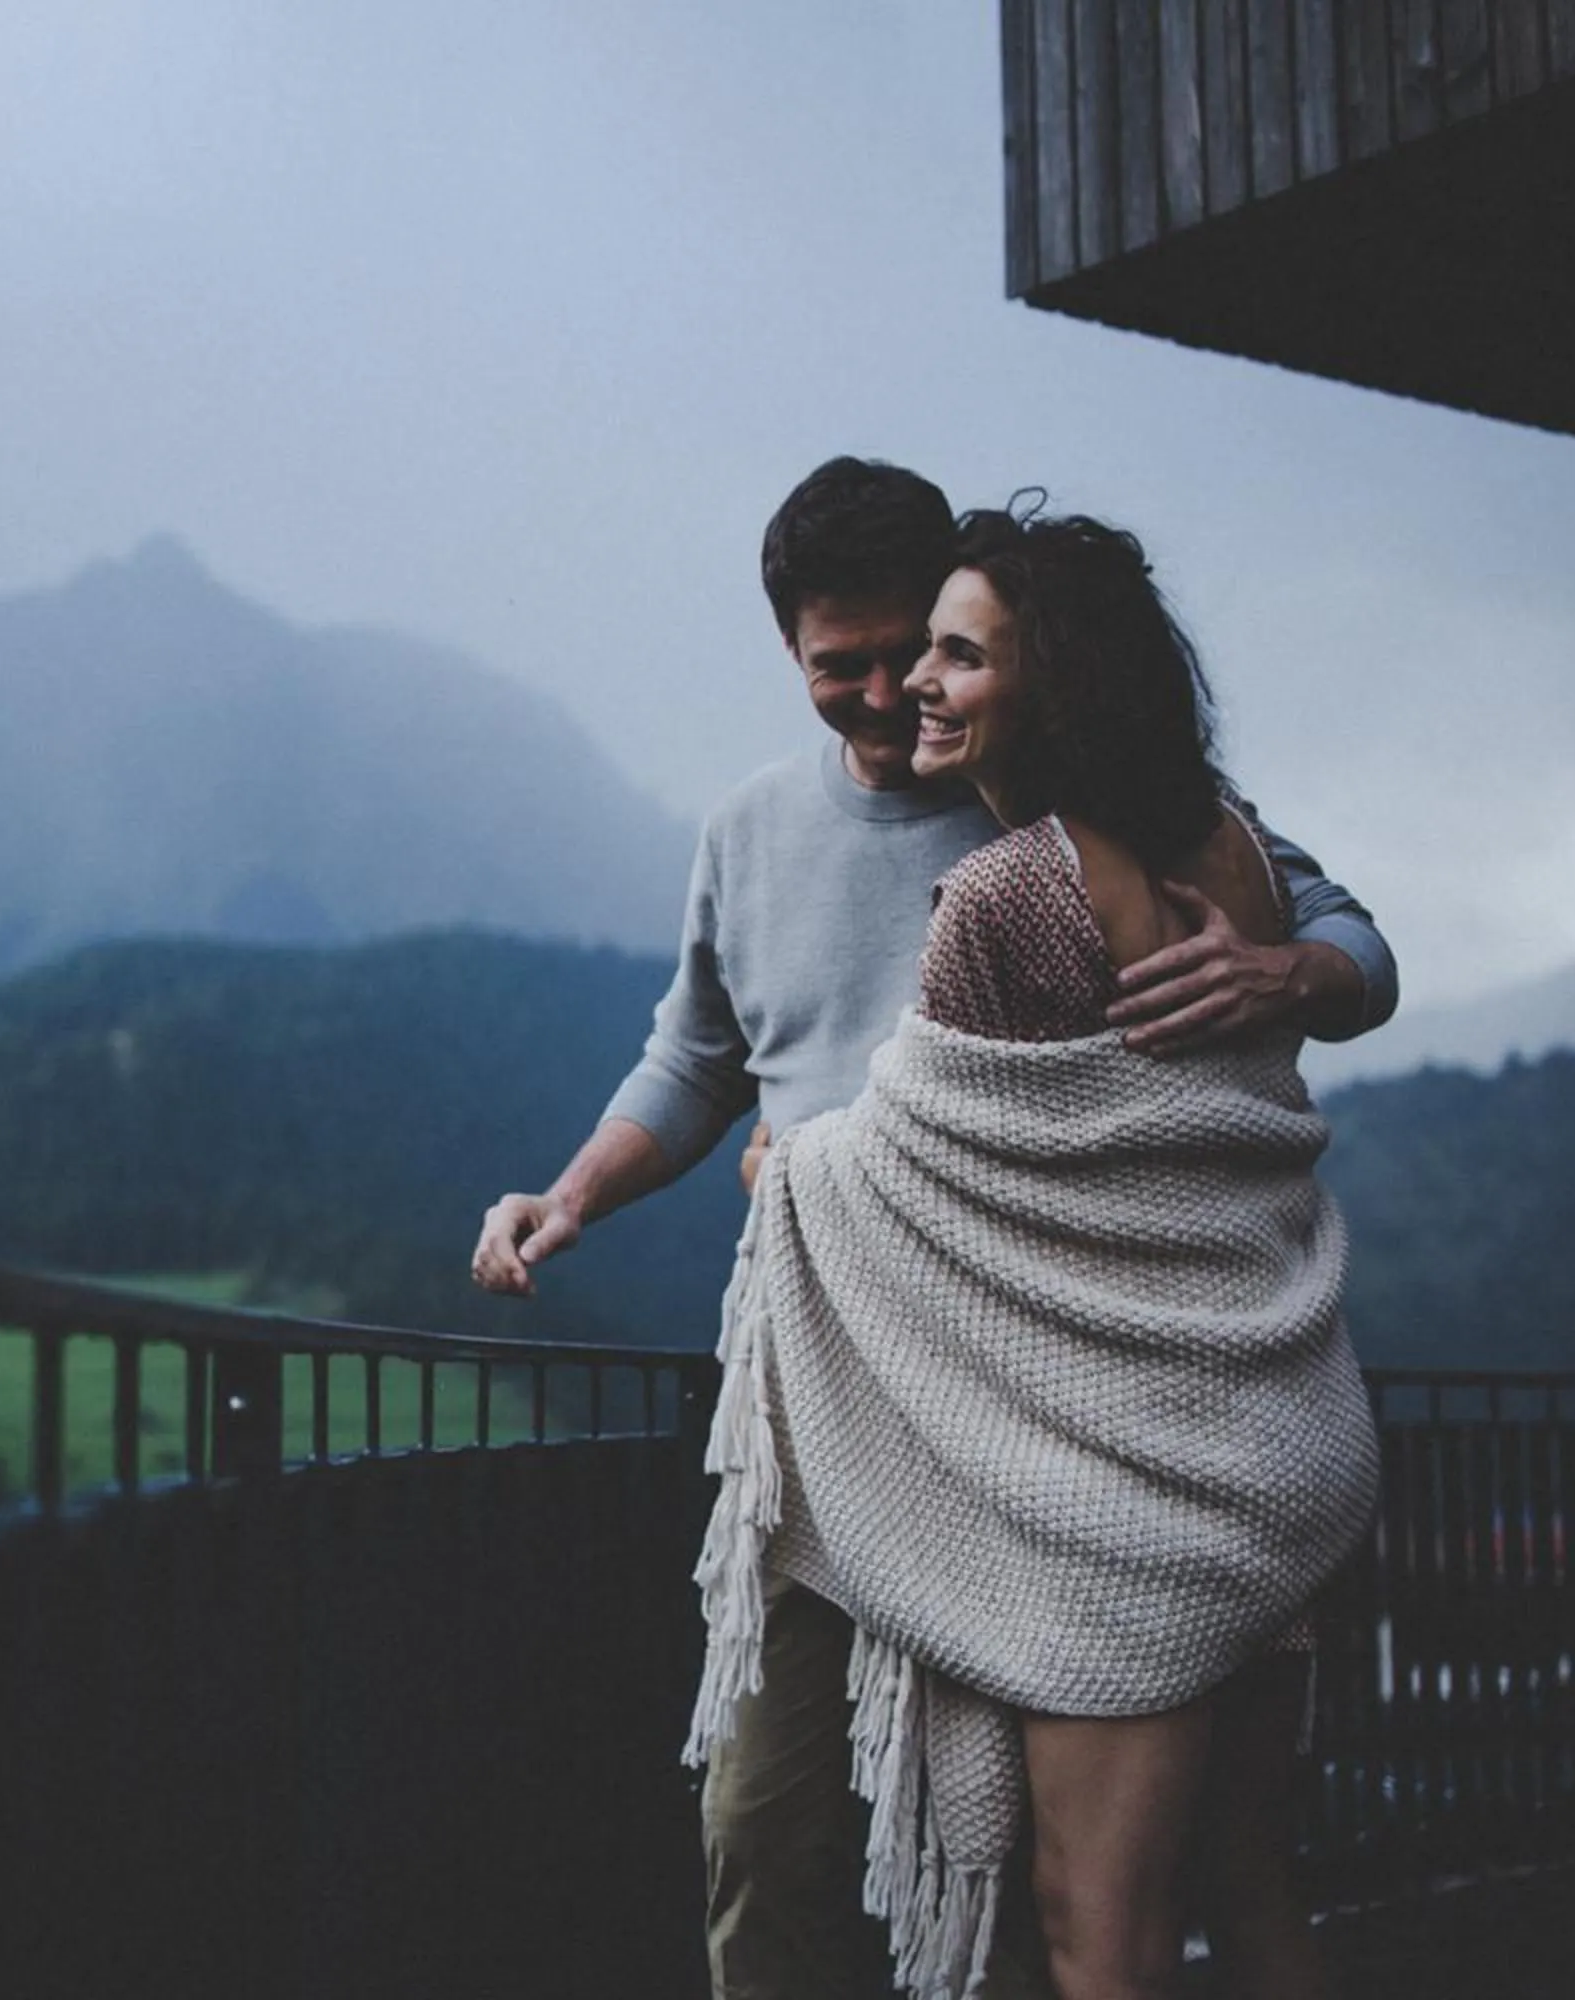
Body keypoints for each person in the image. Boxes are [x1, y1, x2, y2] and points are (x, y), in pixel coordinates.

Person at [466, 457, 1398, 2000]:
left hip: (1057, 1422)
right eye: (849, 666)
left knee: (1064, 1907)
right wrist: (570, 1195)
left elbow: (1338, 932)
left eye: (929, 651)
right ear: (792, 653)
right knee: (777, 1842)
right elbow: (698, 1057)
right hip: (843, 1412)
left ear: (1023, 657)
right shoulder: (755, 832)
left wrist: (1296, 977)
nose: (891, 691)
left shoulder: (1073, 826)